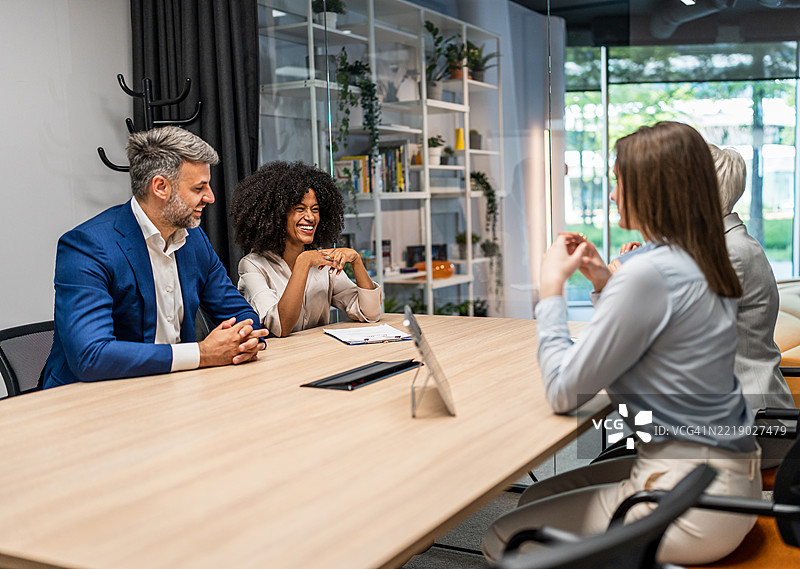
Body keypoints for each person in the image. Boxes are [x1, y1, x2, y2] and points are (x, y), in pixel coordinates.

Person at [482, 122, 761, 566]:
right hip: (729, 478)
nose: (612, 194)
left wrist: (551, 289)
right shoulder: (702, 257)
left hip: (691, 502)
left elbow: (563, 392)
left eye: (618, 181)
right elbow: (659, 333)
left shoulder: (648, 272)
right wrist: (603, 281)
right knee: (538, 493)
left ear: (653, 190)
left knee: (505, 535)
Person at [42, 126, 267, 389]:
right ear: (160, 187)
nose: (211, 197)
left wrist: (246, 340)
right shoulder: (88, 246)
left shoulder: (194, 240)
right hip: (87, 400)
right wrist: (203, 353)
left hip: (172, 390)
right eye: (199, 187)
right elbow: (91, 356)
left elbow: (240, 312)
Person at [231, 161, 381, 337]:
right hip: (278, 361)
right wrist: (303, 263)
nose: (310, 217)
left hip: (317, 355)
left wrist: (356, 261)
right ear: (278, 215)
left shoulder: (323, 262)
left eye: (315, 209)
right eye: (300, 209)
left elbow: (370, 313)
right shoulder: (252, 265)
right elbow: (280, 326)